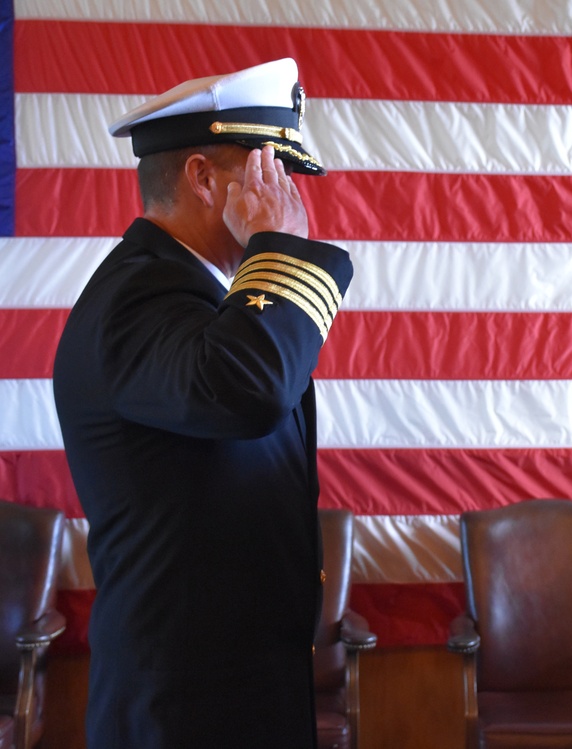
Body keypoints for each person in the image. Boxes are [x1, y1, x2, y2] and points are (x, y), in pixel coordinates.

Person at [52, 59, 353, 749]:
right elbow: (248, 391)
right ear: (201, 178)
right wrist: (279, 249)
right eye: (270, 175)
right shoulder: (138, 298)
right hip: (183, 704)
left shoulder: (196, 293)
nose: (288, 201)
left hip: (230, 686)